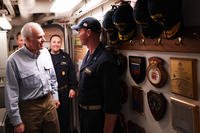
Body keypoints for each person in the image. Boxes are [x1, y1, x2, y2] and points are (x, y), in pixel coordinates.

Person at [5, 22, 60, 133]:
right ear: (28, 40)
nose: (44, 39)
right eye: (39, 37)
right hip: (29, 109)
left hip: (49, 102)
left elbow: (52, 77)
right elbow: (11, 93)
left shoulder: (45, 53)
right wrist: (17, 122)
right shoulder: (13, 61)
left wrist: (55, 95)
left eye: (43, 35)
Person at [71, 17, 121, 133]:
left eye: (80, 31)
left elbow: (112, 104)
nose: (78, 34)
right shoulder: (89, 54)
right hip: (85, 115)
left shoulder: (105, 61)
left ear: (88, 33)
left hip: (97, 119)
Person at [49, 34, 78, 133]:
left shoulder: (66, 57)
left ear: (61, 44)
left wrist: (73, 88)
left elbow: (72, 73)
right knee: (51, 120)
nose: (56, 44)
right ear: (50, 43)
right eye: (54, 42)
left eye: (58, 42)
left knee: (65, 119)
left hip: (64, 92)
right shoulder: (45, 57)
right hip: (50, 95)